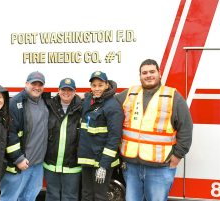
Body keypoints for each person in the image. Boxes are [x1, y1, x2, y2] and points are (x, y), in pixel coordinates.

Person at [115, 59, 193, 201]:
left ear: (159, 74)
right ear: (140, 76)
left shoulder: (172, 96)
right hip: (131, 166)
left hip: (160, 168)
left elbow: (186, 128)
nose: (148, 75)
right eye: (144, 73)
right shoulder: (130, 93)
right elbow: (109, 104)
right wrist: (88, 97)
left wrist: (177, 156)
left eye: (152, 72)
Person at [0, 71, 49, 201]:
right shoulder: (15, 103)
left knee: (30, 197)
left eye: (40, 85)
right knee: (10, 197)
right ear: (26, 84)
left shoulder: (45, 101)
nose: (37, 87)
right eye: (33, 84)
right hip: (20, 164)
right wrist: (18, 158)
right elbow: (9, 133)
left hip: (37, 164)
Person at [78, 71, 123, 201]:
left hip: (102, 161)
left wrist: (104, 165)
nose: (97, 88)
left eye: (100, 85)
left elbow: (114, 138)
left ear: (107, 85)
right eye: (94, 85)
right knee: (86, 194)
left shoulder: (113, 106)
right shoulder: (88, 100)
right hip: (87, 159)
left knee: (99, 196)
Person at [43, 78, 82, 201]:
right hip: (51, 164)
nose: (66, 92)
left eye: (69, 90)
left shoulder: (82, 108)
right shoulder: (48, 106)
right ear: (58, 91)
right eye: (63, 89)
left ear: (75, 91)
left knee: (70, 197)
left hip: (72, 165)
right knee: (51, 196)